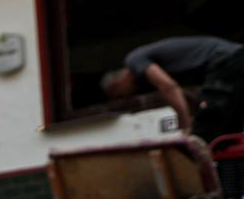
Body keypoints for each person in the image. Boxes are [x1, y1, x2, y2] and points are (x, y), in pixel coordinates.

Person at [102, 35, 244, 142]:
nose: (127, 96)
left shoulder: (133, 59)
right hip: (235, 58)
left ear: (116, 85)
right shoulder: (166, 67)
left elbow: (169, 87)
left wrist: (187, 126)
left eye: (121, 95)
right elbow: (183, 92)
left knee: (199, 137)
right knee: (228, 133)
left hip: (224, 59)